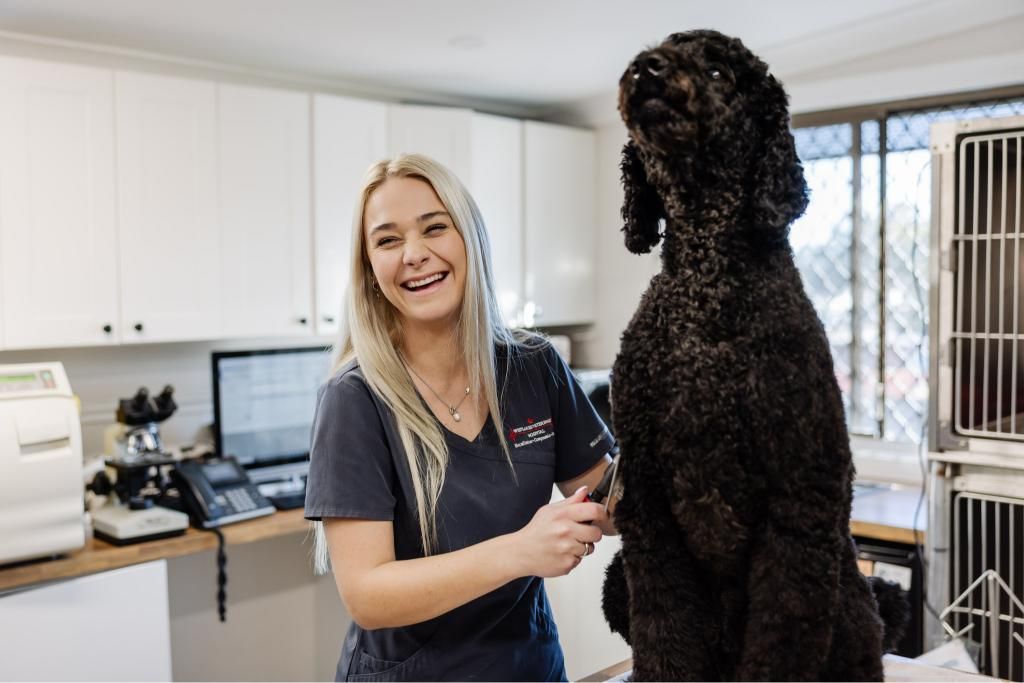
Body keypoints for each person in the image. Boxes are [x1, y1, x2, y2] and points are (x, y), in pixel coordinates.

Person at [305, 153, 618, 682]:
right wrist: (521, 552)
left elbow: (607, 501)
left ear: (469, 237)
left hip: (529, 667)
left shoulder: (533, 366)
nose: (415, 254)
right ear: (369, 268)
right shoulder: (354, 398)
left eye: (434, 228)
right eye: (387, 240)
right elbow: (368, 596)